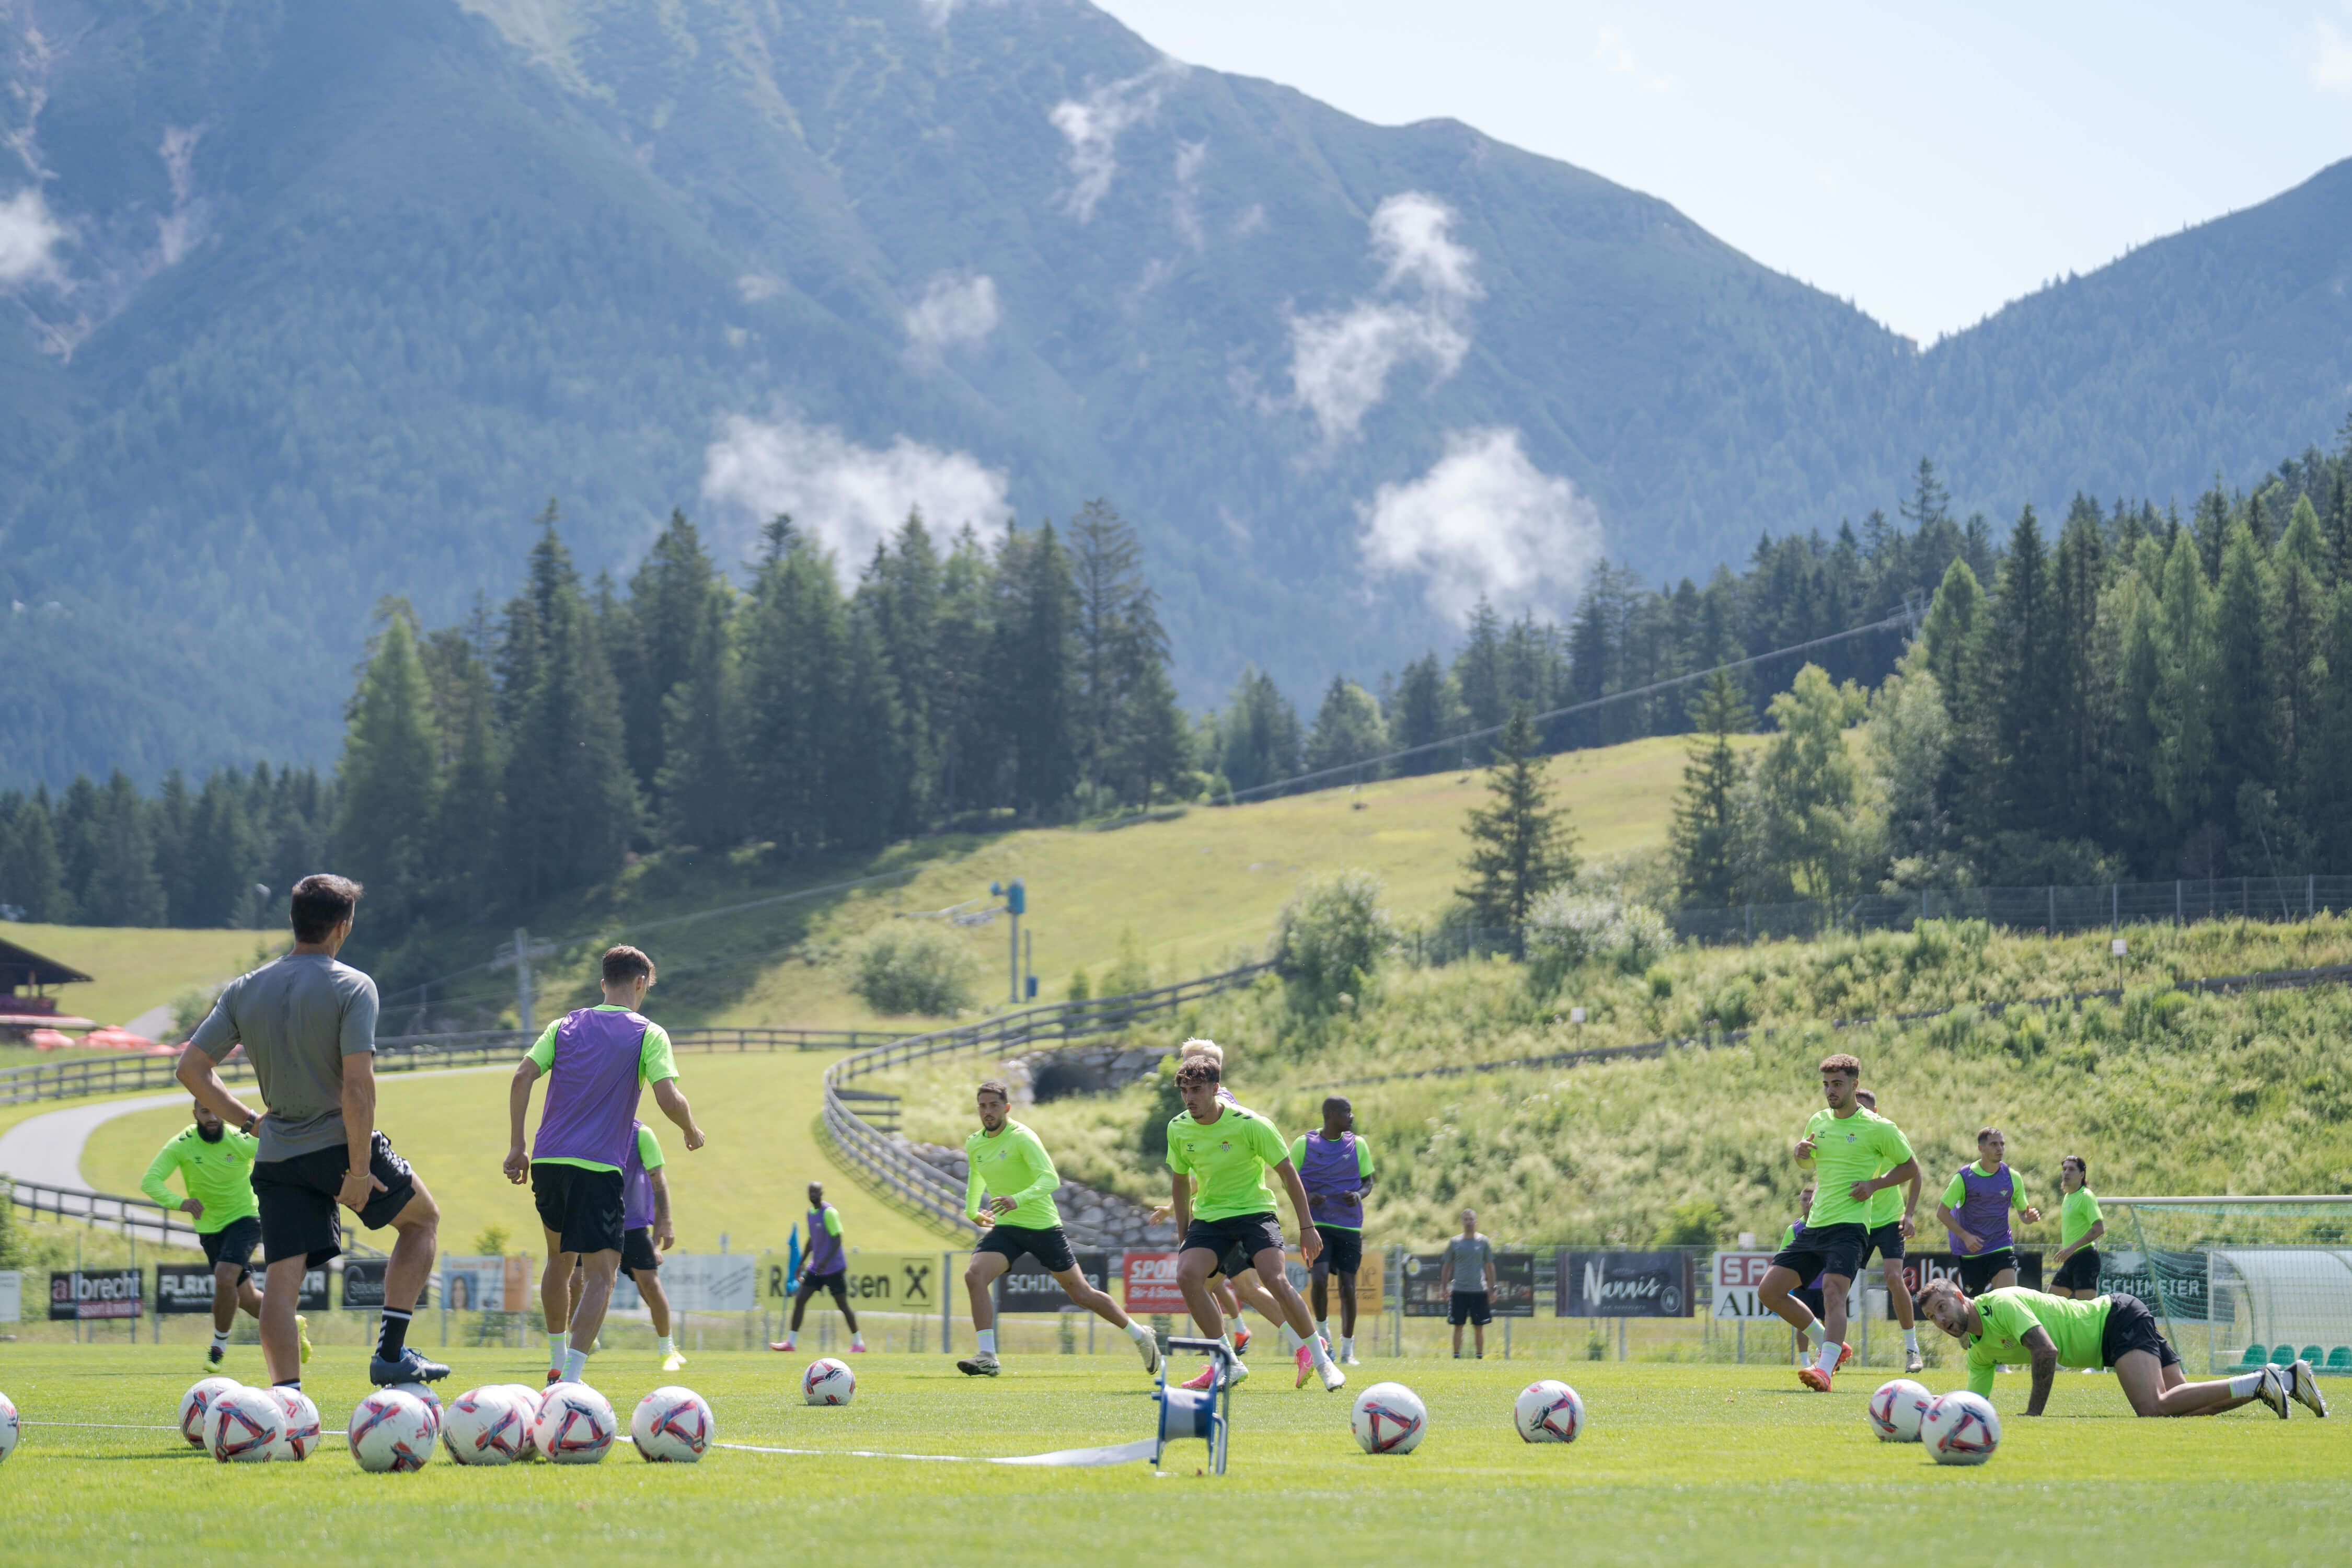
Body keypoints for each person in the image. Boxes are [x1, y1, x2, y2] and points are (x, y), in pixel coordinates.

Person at [176, 873, 448, 1390]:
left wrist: (250, 1122)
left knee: (282, 1283)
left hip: (278, 1155)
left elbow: (191, 1068)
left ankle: (287, 1401)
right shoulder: (352, 986)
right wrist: (361, 1170)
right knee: (422, 1223)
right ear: (342, 927)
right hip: (339, 1148)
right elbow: (358, 1088)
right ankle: (391, 1353)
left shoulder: (244, 989)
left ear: (293, 922)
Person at [505, 944, 704, 1387]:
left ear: (602, 985)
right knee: (602, 1274)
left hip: (549, 1162)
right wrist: (690, 1128)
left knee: (559, 1262)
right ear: (640, 983)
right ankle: (571, 1381)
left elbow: (522, 1076)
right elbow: (667, 1097)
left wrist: (518, 1146)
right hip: (596, 1167)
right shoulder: (649, 1033)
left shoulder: (563, 1026)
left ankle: (556, 1360)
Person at [954, 1080, 1161, 1378]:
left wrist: (1018, 1199)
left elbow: (1050, 1179)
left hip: (1043, 1227)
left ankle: (1140, 1335)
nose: (988, 1112)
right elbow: (977, 1176)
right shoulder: (975, 1142)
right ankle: (987, 1356)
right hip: (1008, 1228)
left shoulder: (1023, 1137)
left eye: (994, 1106)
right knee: (974, 1275)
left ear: (1007, 1108)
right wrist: (972, 1210)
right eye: (983, 1106)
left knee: (1082, 1294)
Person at [1166, 1055, 1345, 1392]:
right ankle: (1228, 1363)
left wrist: (1308, 1227)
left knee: (1274, 1280)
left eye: (1197, 1090)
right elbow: (1179, 1181)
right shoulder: (1178, 1128)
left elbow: (1288, 1172)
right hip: (1210, 1219)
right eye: (1185, 1091)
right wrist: (1184, 1236)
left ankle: (1322, 1362)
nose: (1190, 1098)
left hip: (1254, 1214)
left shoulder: (1250, 1124)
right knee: (1187, 1275)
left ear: (1216, 1089)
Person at [1917, 1278, 2328, 1419]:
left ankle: (2262, 1381)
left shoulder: (2001, 1304)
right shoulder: (1977, 1350)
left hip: (2114, 1320)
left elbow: (2046, 1352)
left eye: (1942, 1308)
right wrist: (1940, 1406)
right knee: (2189, 1410)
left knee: (2153, 1407)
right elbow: (1977, 1400)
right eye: (1934, 1319)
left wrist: (2033, 1415)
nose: (1941, 1320)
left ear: (1959, 1295)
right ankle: (2285, 1378)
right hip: (2115, 1327)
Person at [1758, 1052, 1920, 1392]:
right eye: (1826, 1085)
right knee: (1769, 1291)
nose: (1830, 1091)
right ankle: (1831, 1344)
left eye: (1838, 1084)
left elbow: (1910, 1168)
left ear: (1854, 1085)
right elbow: (1809, 1164)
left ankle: (1825, 1369)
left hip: (1850, 1228)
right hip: (1815, 1225)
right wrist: (1800, 1154)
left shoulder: (1879, 1128)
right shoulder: (1818, 1121)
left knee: (1833, 1292)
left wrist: (1874, 1185)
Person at [141, 1100, 310, 1370]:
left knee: (224, 1275)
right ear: (195, 1114)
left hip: (246, 1218)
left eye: (216, 1110)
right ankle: (292, 1323)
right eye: (205, 1111)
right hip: (209, 1228)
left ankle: (218, 1346)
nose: (212, 1117)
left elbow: (279, 1151)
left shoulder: (239, 1139)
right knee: (245, 1298)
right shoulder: (182, 1143)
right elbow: (150, 1181)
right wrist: (181, 1203)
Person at [564, 1118, 685, 1371]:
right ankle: (584, 1338)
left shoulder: (642, 1134)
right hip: (592, 1221)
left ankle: (668, 1348)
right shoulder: (588, 1127)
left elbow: (658, 1181)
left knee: (650, 1284)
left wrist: (665, 1224)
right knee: (575, 1281)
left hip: (631, 1224)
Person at [1291, 1096, 1376, 1365]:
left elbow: (1368, 1181)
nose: (1351, 1116)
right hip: (1317, 1225)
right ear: (1331, 1115)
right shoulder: (1304, 1144)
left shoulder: (1358, 1144)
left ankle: (1348, 1350)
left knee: (1349, 1286)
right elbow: (1288, 1180)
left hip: (1349, 1225)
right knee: (1318, 1278)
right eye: (1346, 1112)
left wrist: (1359, 1195)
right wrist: (1309, 1195)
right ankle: (1323, 1331)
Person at [1853, 1088, 1925, 1374]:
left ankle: (1912, 1350)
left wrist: (1908, 1214)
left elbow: (1915, 1172)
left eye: (1867, 1108)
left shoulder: (1885, 1133)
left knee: (1895, 1278)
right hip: (1855, 1220)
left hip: (1888, 1220)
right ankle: (1829, 1349)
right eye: (1858, 1107)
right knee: (1838, 1284)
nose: (1862, 1112)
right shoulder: (1843, 1135)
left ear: (1876, 1111)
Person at [1935, 1126, 2041, 1295]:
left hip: (2001, 1247)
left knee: (2008, 1300)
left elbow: (2023, 1214)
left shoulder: (2013, 1177)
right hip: (1971, 1252)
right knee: (1975, 1309)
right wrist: (1965, 1236)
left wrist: (2029, 1217)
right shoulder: (1964, 1177)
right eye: (1994, 1144)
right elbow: (1942, 1212)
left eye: (2002, 1144)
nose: (2000, 1149)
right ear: (1981, 1148)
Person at [771, 1182, 866, 1353]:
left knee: (843, 1305)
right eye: (811, 1192)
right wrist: (801, 1263)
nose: (813, 1194)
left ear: (822, 1193)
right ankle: (791, 1343)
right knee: (800, 1299)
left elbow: (838, 1240)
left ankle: (858, 1343)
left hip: (834, 1268)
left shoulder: (829, 1213)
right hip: (816, 1269)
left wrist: (825, 1261)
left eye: (816, 1191)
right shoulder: (810, 1213)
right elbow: (811, 1240)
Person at [1439, 1207, 1496, 1359]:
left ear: (1476, 1222)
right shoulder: (1455, 1242)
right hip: (1459, 1290)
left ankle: (1479, 1357)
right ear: (1462, 1222)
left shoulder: (1483, 1242)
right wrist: (1444, 1287)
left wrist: (1493, 1288)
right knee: (1458, 1325)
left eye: (1471, 1219)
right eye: (1466, 1219)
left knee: (1479, 1326)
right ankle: (1456, 1356)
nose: (1469, 1222)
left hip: (1478, 1290)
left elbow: (1489, 1265)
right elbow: (1447, 1265)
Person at [2046, 1155, 2105, 1300]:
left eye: (2071, 1169)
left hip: (2086, 1259)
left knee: (2085, 1311)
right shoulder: (2068, 1197)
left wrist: (2071, 1248)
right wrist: (2070, 1251)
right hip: (2071, 1259)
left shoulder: (2086, 1196)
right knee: (2049, 1303)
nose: (2066, 1173)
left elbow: (2099, 1228)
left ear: (2082, 1174)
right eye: (2064, 1169)